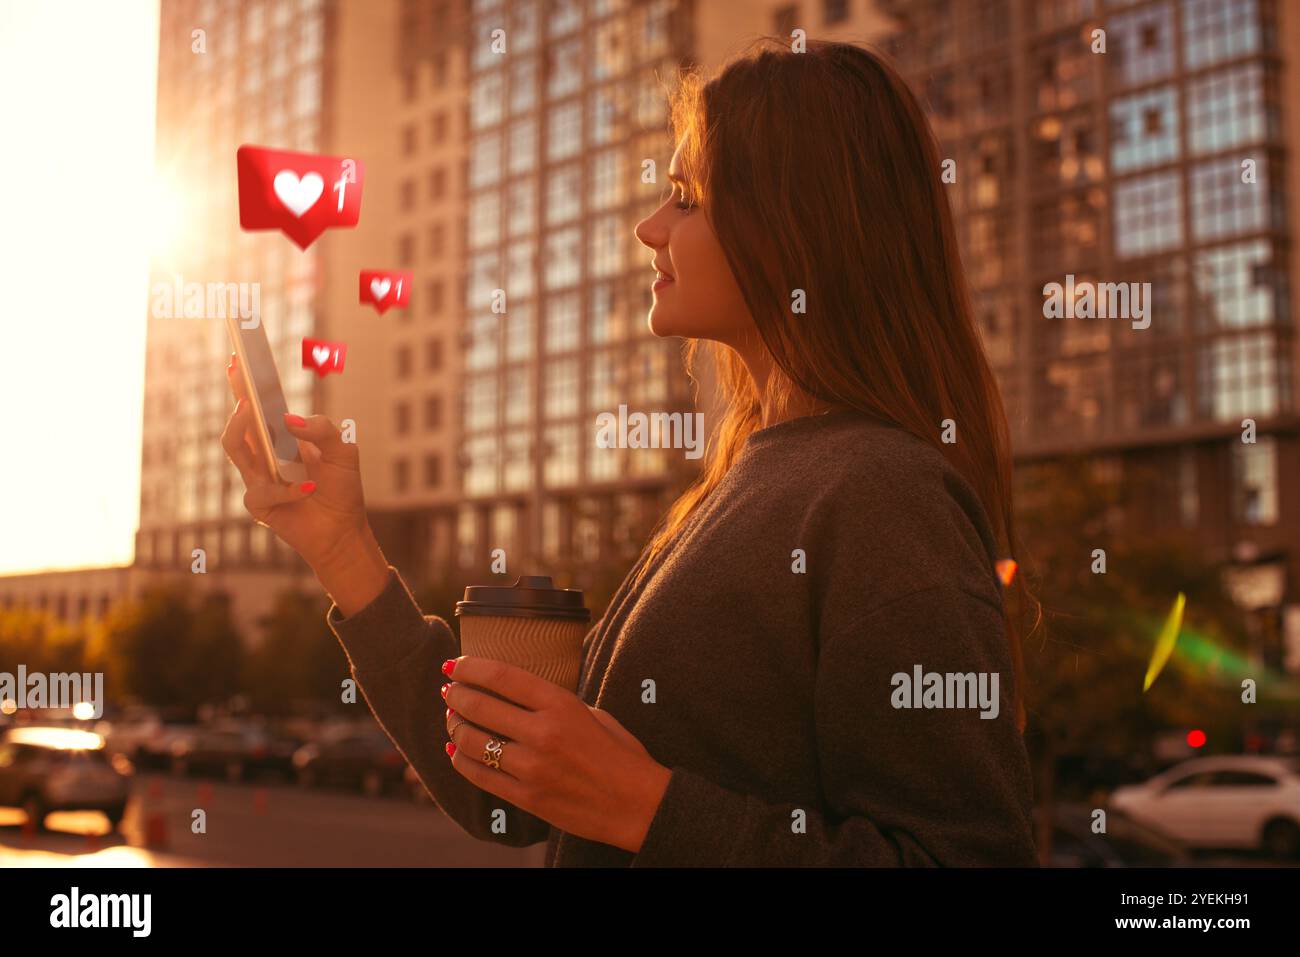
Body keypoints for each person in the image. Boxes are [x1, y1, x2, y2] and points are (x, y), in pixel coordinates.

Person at [221, 37, 1038, 866]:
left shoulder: (882, 494)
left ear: (794, 223)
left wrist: (650, 807)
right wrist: (343, 549)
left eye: (686, 198)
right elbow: (509, 792)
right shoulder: (745, 482)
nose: (650, 229)